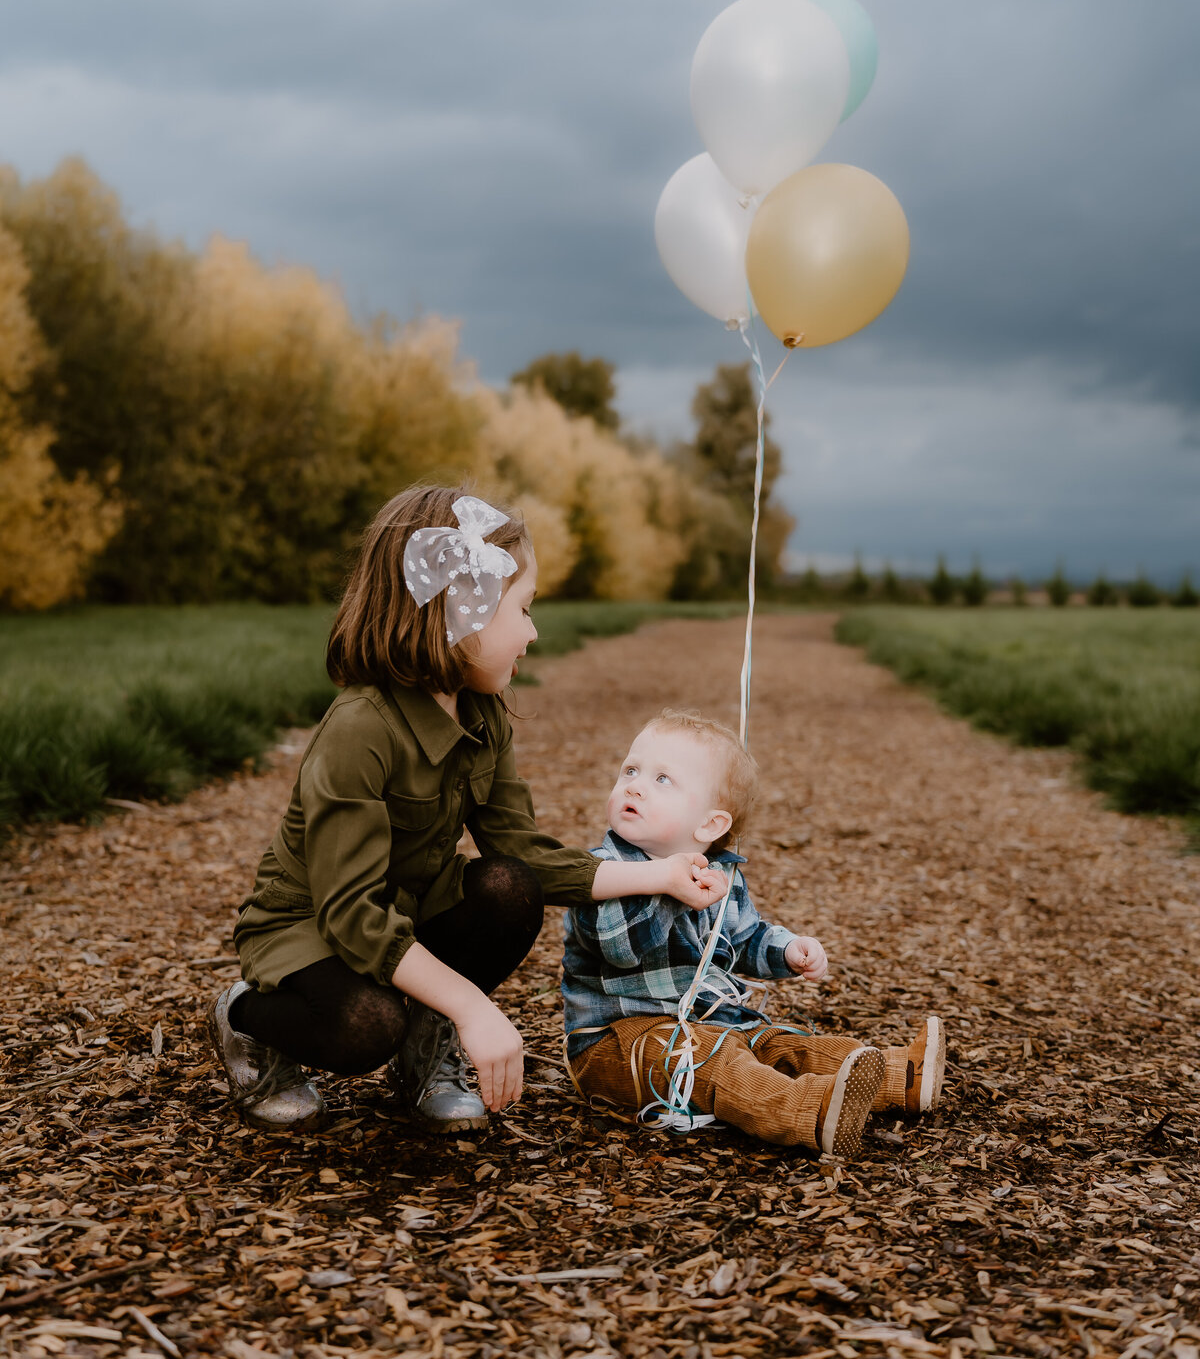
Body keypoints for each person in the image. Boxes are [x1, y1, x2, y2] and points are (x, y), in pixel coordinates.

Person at [208, 486, 729, 1135]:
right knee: (366, 1027)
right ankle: (248, 1020)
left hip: (403, 908)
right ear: (465, 611)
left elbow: (524, 852)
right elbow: (347, 912)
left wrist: (663, 873)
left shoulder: (482, 715)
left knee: (511, 887)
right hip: (311, 925)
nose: (534, 633)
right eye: (524, 609)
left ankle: (425, 1050)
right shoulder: (360, 729)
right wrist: (471, 1007)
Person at [562, 708, 946, 1160]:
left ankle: (902, 1077)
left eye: (662, 779)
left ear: (709, 825)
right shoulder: (602, 872)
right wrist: (667, 885)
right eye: (631, 769)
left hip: (710, 1024)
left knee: (780, 1043)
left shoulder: (721, 874)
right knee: (713, 1061)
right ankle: (809, 1110)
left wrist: (788, 951)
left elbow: (743, 940)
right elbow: (620, 949)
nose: (635, 784)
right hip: (618, 1044)